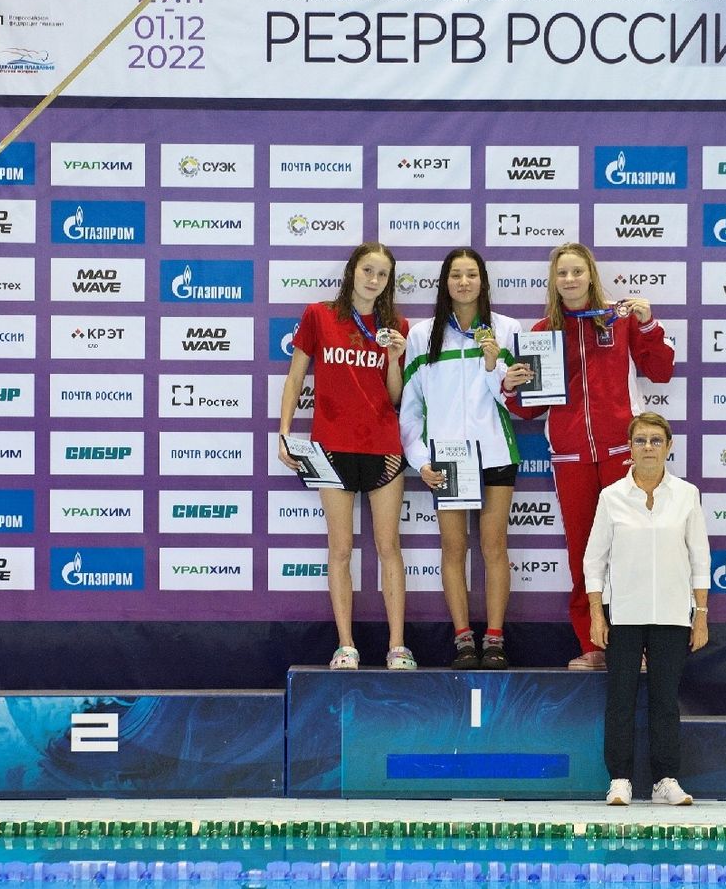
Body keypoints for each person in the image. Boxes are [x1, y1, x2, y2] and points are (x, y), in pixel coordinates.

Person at [502, 243, 674, 669]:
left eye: (577, 271)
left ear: (591, 275)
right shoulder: (543, 332)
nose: (570, 279)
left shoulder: (619, 319)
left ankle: (636, 648)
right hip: (571, 458)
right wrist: (511, 386)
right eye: (562, 273)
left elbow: (661, 370)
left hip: (621, 453)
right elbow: (528, 409)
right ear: (553, 280)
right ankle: (594, 645)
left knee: (632, 552)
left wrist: (648, 325)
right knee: (585, 556)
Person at [277, 241, 416, 671]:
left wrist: (394, 359)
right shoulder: (319, 315)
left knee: (389, 547)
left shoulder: (396, 326)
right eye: (367, 270)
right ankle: (345, 646)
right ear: (352, 271)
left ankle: (398, 647)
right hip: (331, 448)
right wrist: (284, 432)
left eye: (382, 274)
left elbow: (395, 396)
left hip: (383, 448)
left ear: (389, 282)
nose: (374, 280)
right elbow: (296, 376)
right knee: (340, 548)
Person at [399, 248, 523, 670]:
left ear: (483, 281)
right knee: (453, 548)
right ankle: (463, 639)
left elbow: (514, 401)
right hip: (448, 459)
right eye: (456, 275)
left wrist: (493, 366)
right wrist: (421, 460)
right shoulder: (422, 335)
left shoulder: (507, 329)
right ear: (445, 282)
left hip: (495, 452)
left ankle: (495, 639)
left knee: (494, 546)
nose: (464, 282)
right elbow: (411, 409)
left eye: (471, 274)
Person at [584, 412, 710, 806]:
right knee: (620, 698)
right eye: (641, 440)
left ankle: (665, 781)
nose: (649, 448)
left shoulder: (686, 494)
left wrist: (701, 614)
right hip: (623, 614)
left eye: (656, 440)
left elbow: (700, 558)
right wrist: (596, 613)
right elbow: (594, 560)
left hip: (673, 614)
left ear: (669, 446)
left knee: (664, 700)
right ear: (630, 448)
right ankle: (619, 779)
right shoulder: (612, 496)